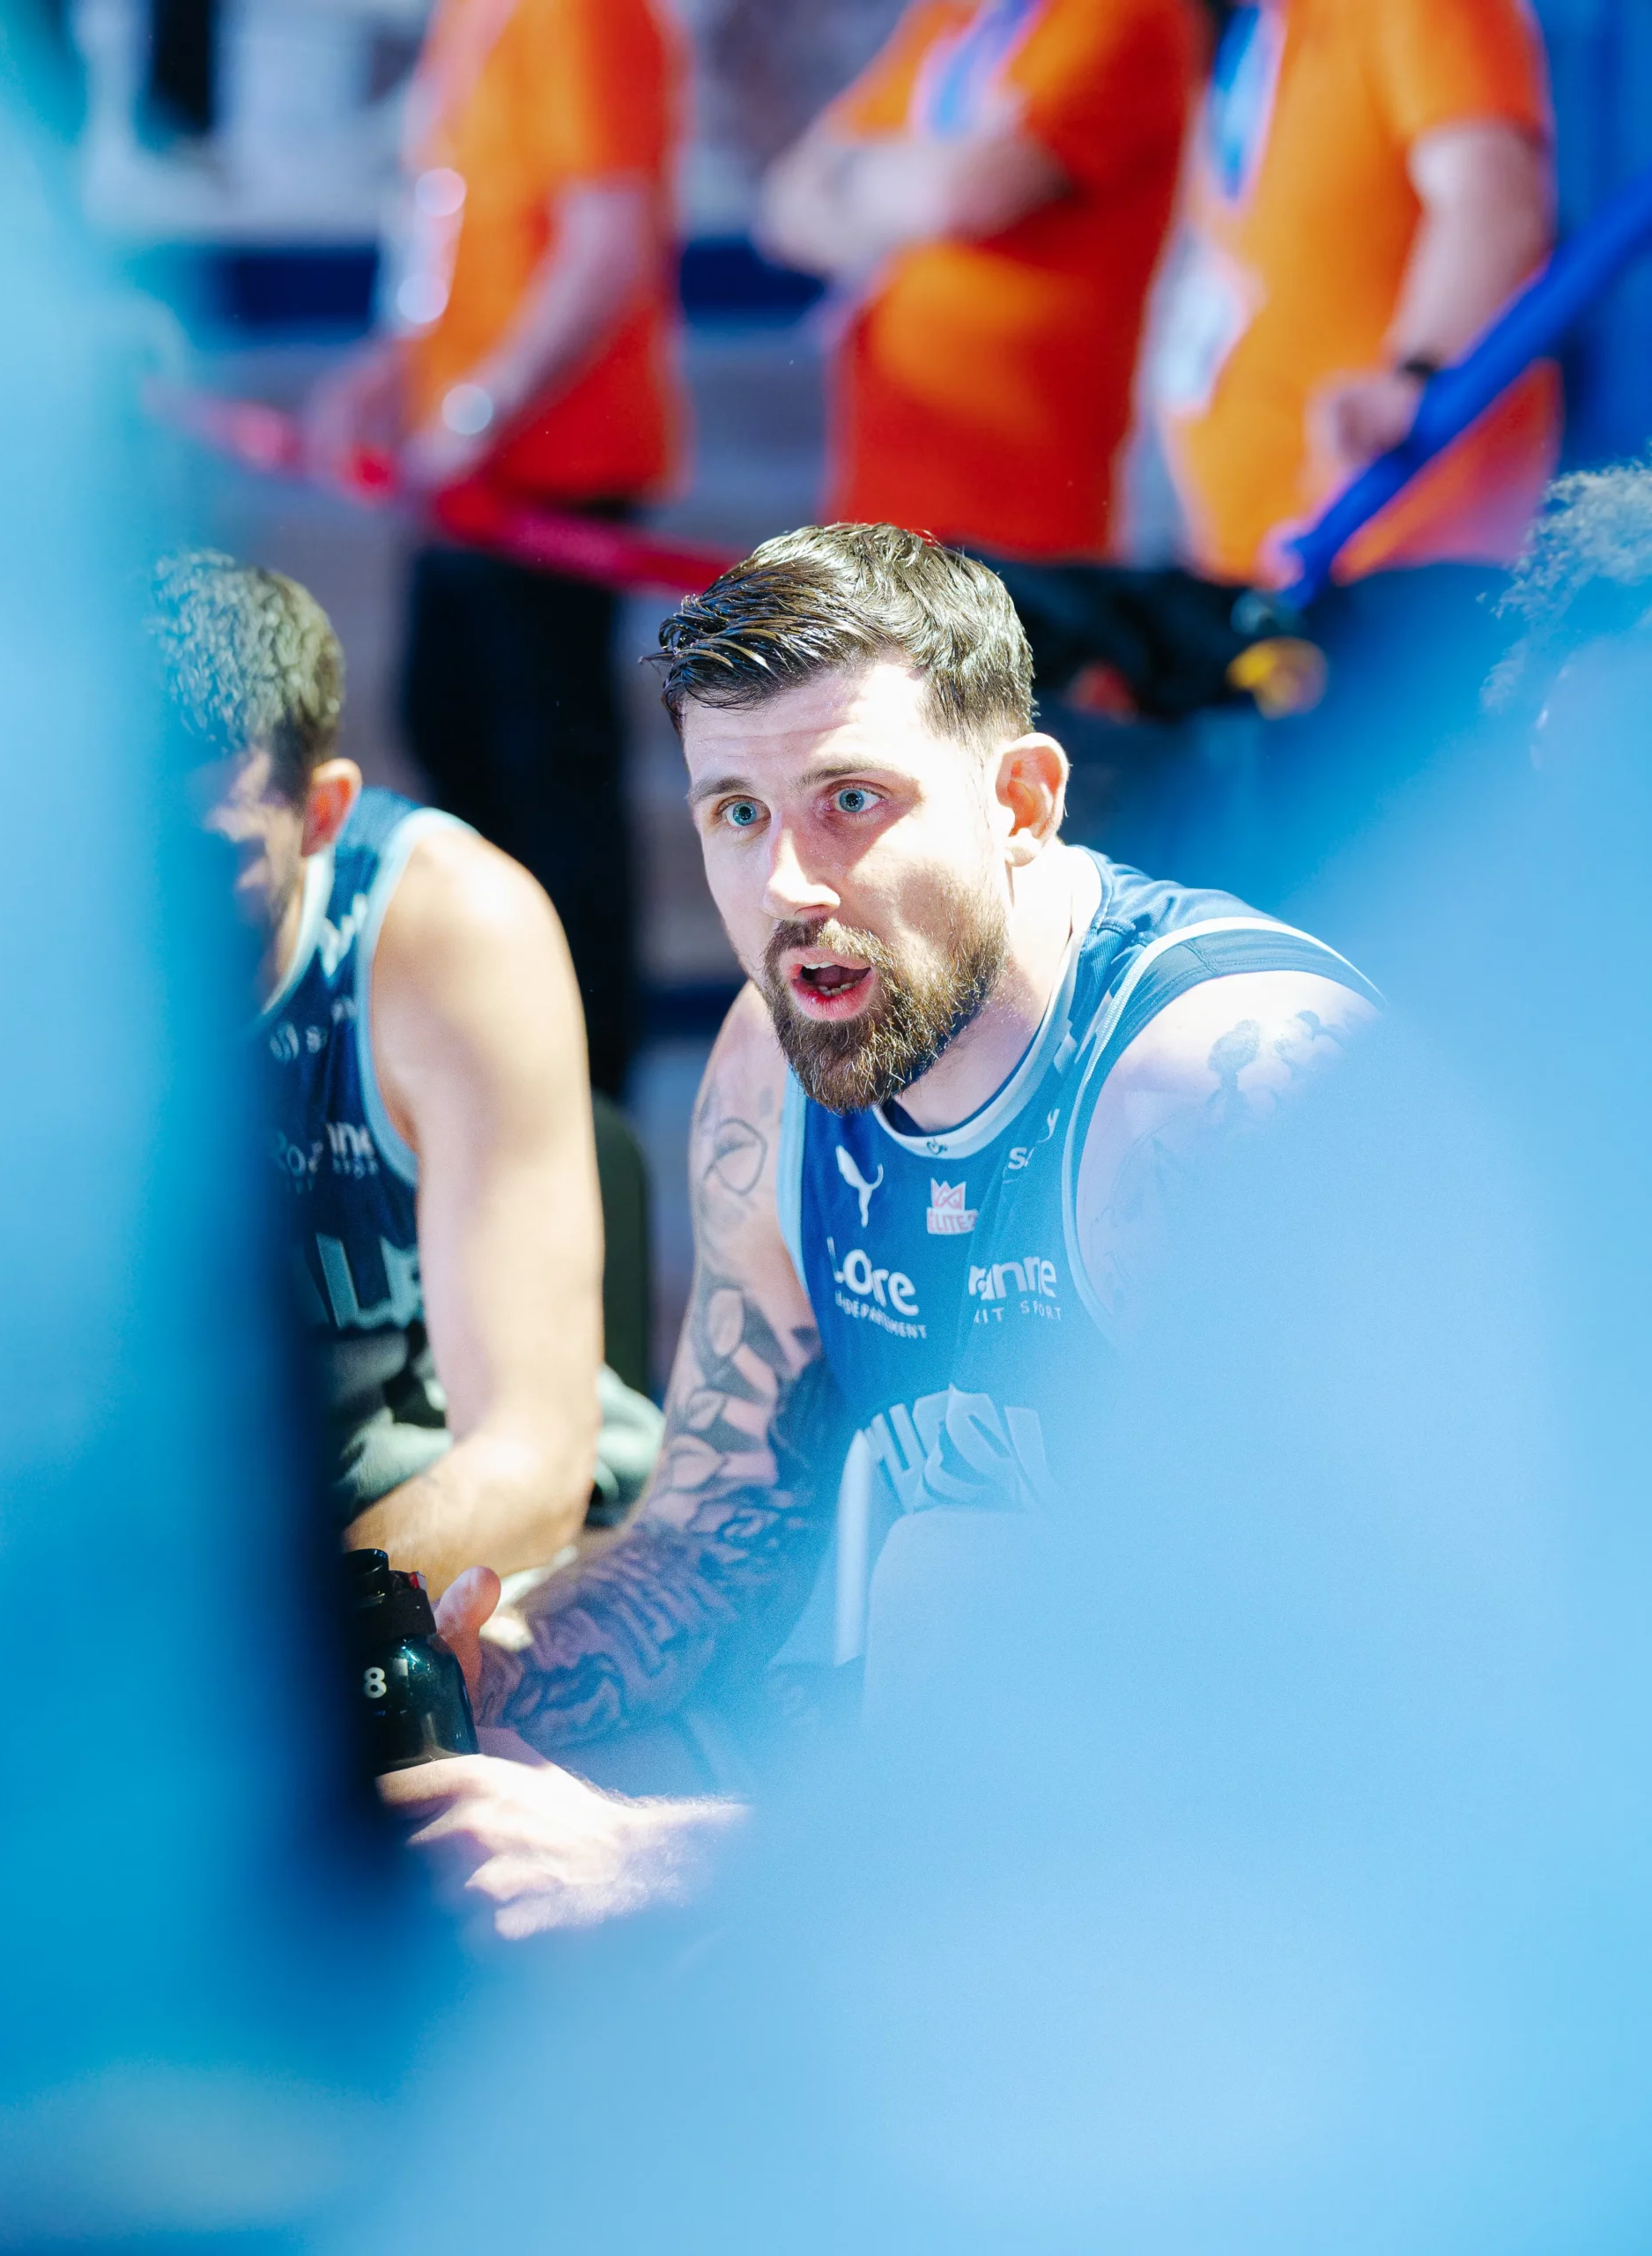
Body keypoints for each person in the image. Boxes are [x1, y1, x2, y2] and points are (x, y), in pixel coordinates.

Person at [388, 522, 1377, 1931]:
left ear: (1022, 803)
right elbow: (713, 1537)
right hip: (945, 1794)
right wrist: (486, 1674)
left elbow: (1327, 1724)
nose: (789, 886)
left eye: (851, 800)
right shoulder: (772, 1062)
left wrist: (671, 1864)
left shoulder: (1228, 1101)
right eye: (736, 813)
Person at [153, 553, 660, 1591]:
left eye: (211, 860)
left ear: (322, 814)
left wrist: (289, 1640)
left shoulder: (450, 928)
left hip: (439, 1515)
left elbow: (529, 1458)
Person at [306, 0, 685, 1095]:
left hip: (542, 472)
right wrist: (398, 370)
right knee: (454, 738)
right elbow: (459, 227)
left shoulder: (582, 15)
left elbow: (604, 244)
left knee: (544, 792)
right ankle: (490, 1073)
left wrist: (475, 411)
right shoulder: (475, 16)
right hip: (471, 472)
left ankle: (579, 1101)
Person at [757, 0, 1200, 563]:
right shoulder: (957, 18)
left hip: (1018, 521)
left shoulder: (1119, 16)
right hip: (887, 504)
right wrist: (916, 178)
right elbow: (785, 208)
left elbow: (965, 195)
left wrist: (853, 177)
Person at [1152, 0, 1556, 588]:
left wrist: (1413, 374)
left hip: (1399, 561)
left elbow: (1495, 206)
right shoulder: (1264, 28)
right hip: (1267, 561)